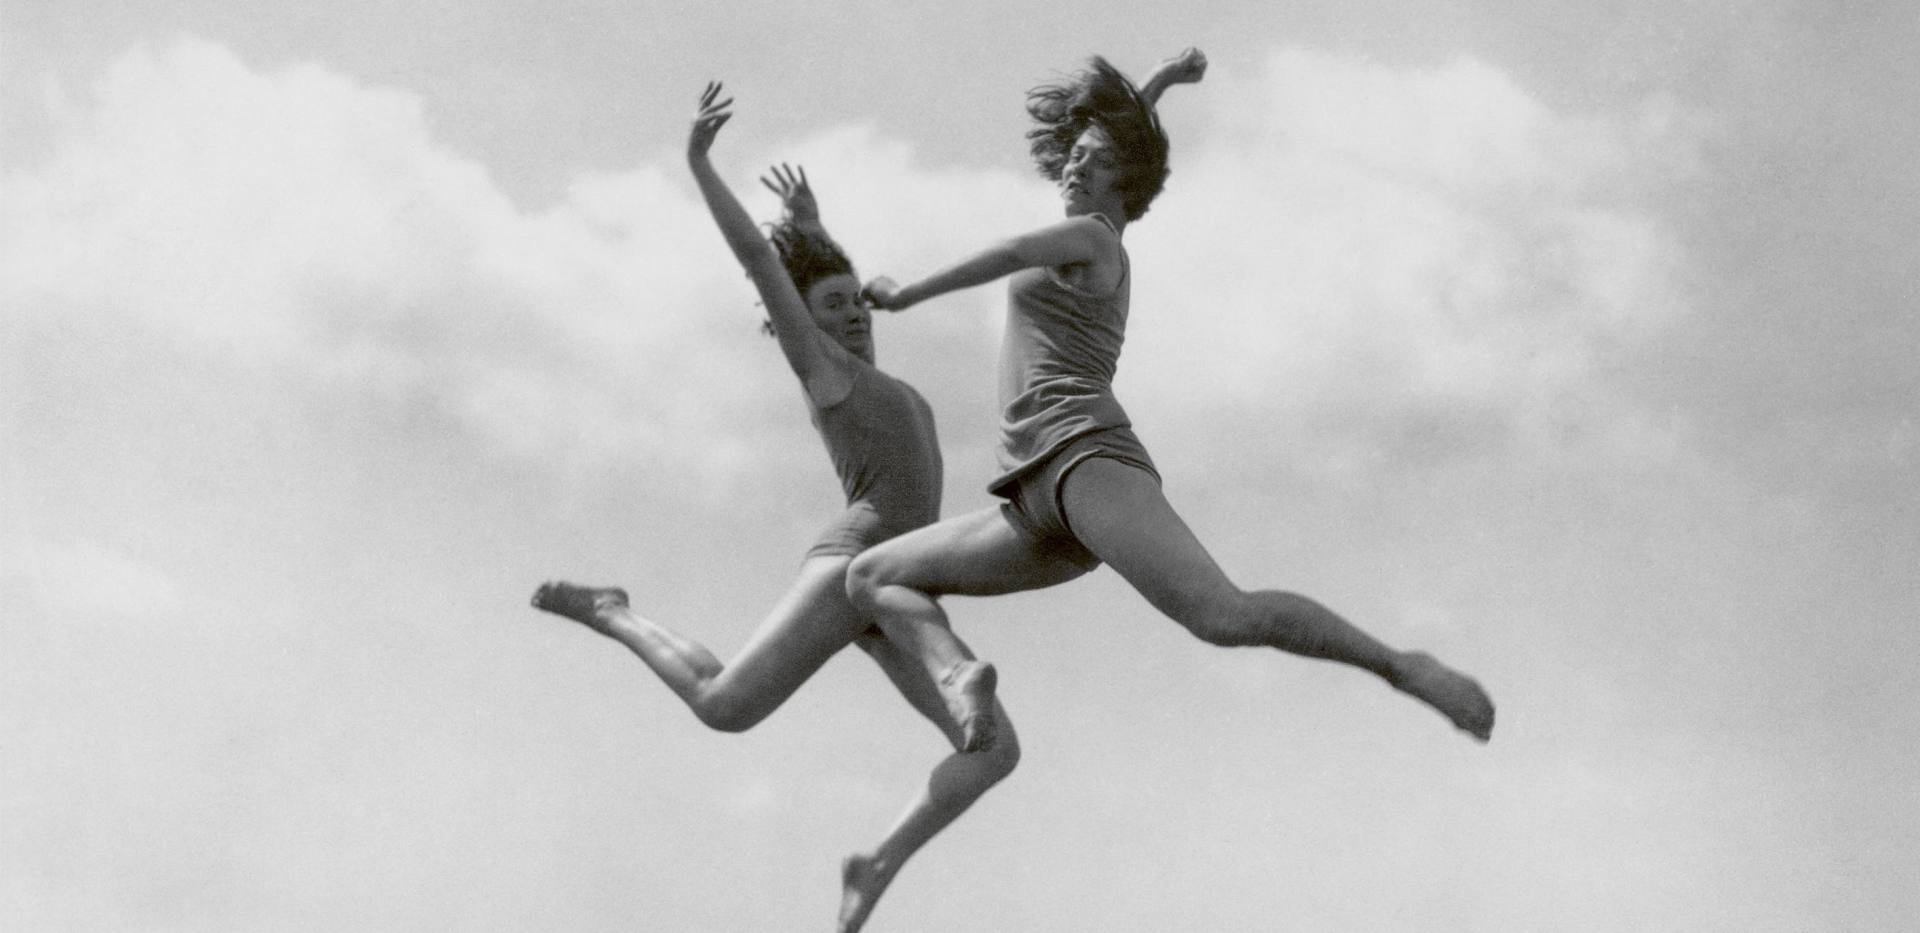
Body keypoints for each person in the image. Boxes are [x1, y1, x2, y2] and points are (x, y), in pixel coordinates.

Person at [847, 49, 1496, 756]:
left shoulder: (1092, 239)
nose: (1070, 166)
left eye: (1090, 162)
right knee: (873, 575)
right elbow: (1118, 145)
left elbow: (1008, 249)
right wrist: (1159, 86)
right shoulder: (1089, 229)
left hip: (1085, 461)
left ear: (1122, 185)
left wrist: (909, 293)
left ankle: (1402, 667)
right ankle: (959, 673)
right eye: (1073, 156)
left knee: (1224, 615)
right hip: (1032, 498)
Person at [531, 82, 1001, 933]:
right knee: (724, 706)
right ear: (803, 325)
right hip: (852, 566)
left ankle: (875, 865)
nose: (853, 316)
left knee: (993, 748)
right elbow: (759, 262)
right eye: (832, 307)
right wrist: (698, 166)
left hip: (894, 585)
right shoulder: (827, 375)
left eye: (857, 302)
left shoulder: (896, 385)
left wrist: (817, 232)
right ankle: (613, 611)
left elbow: (813, 274)